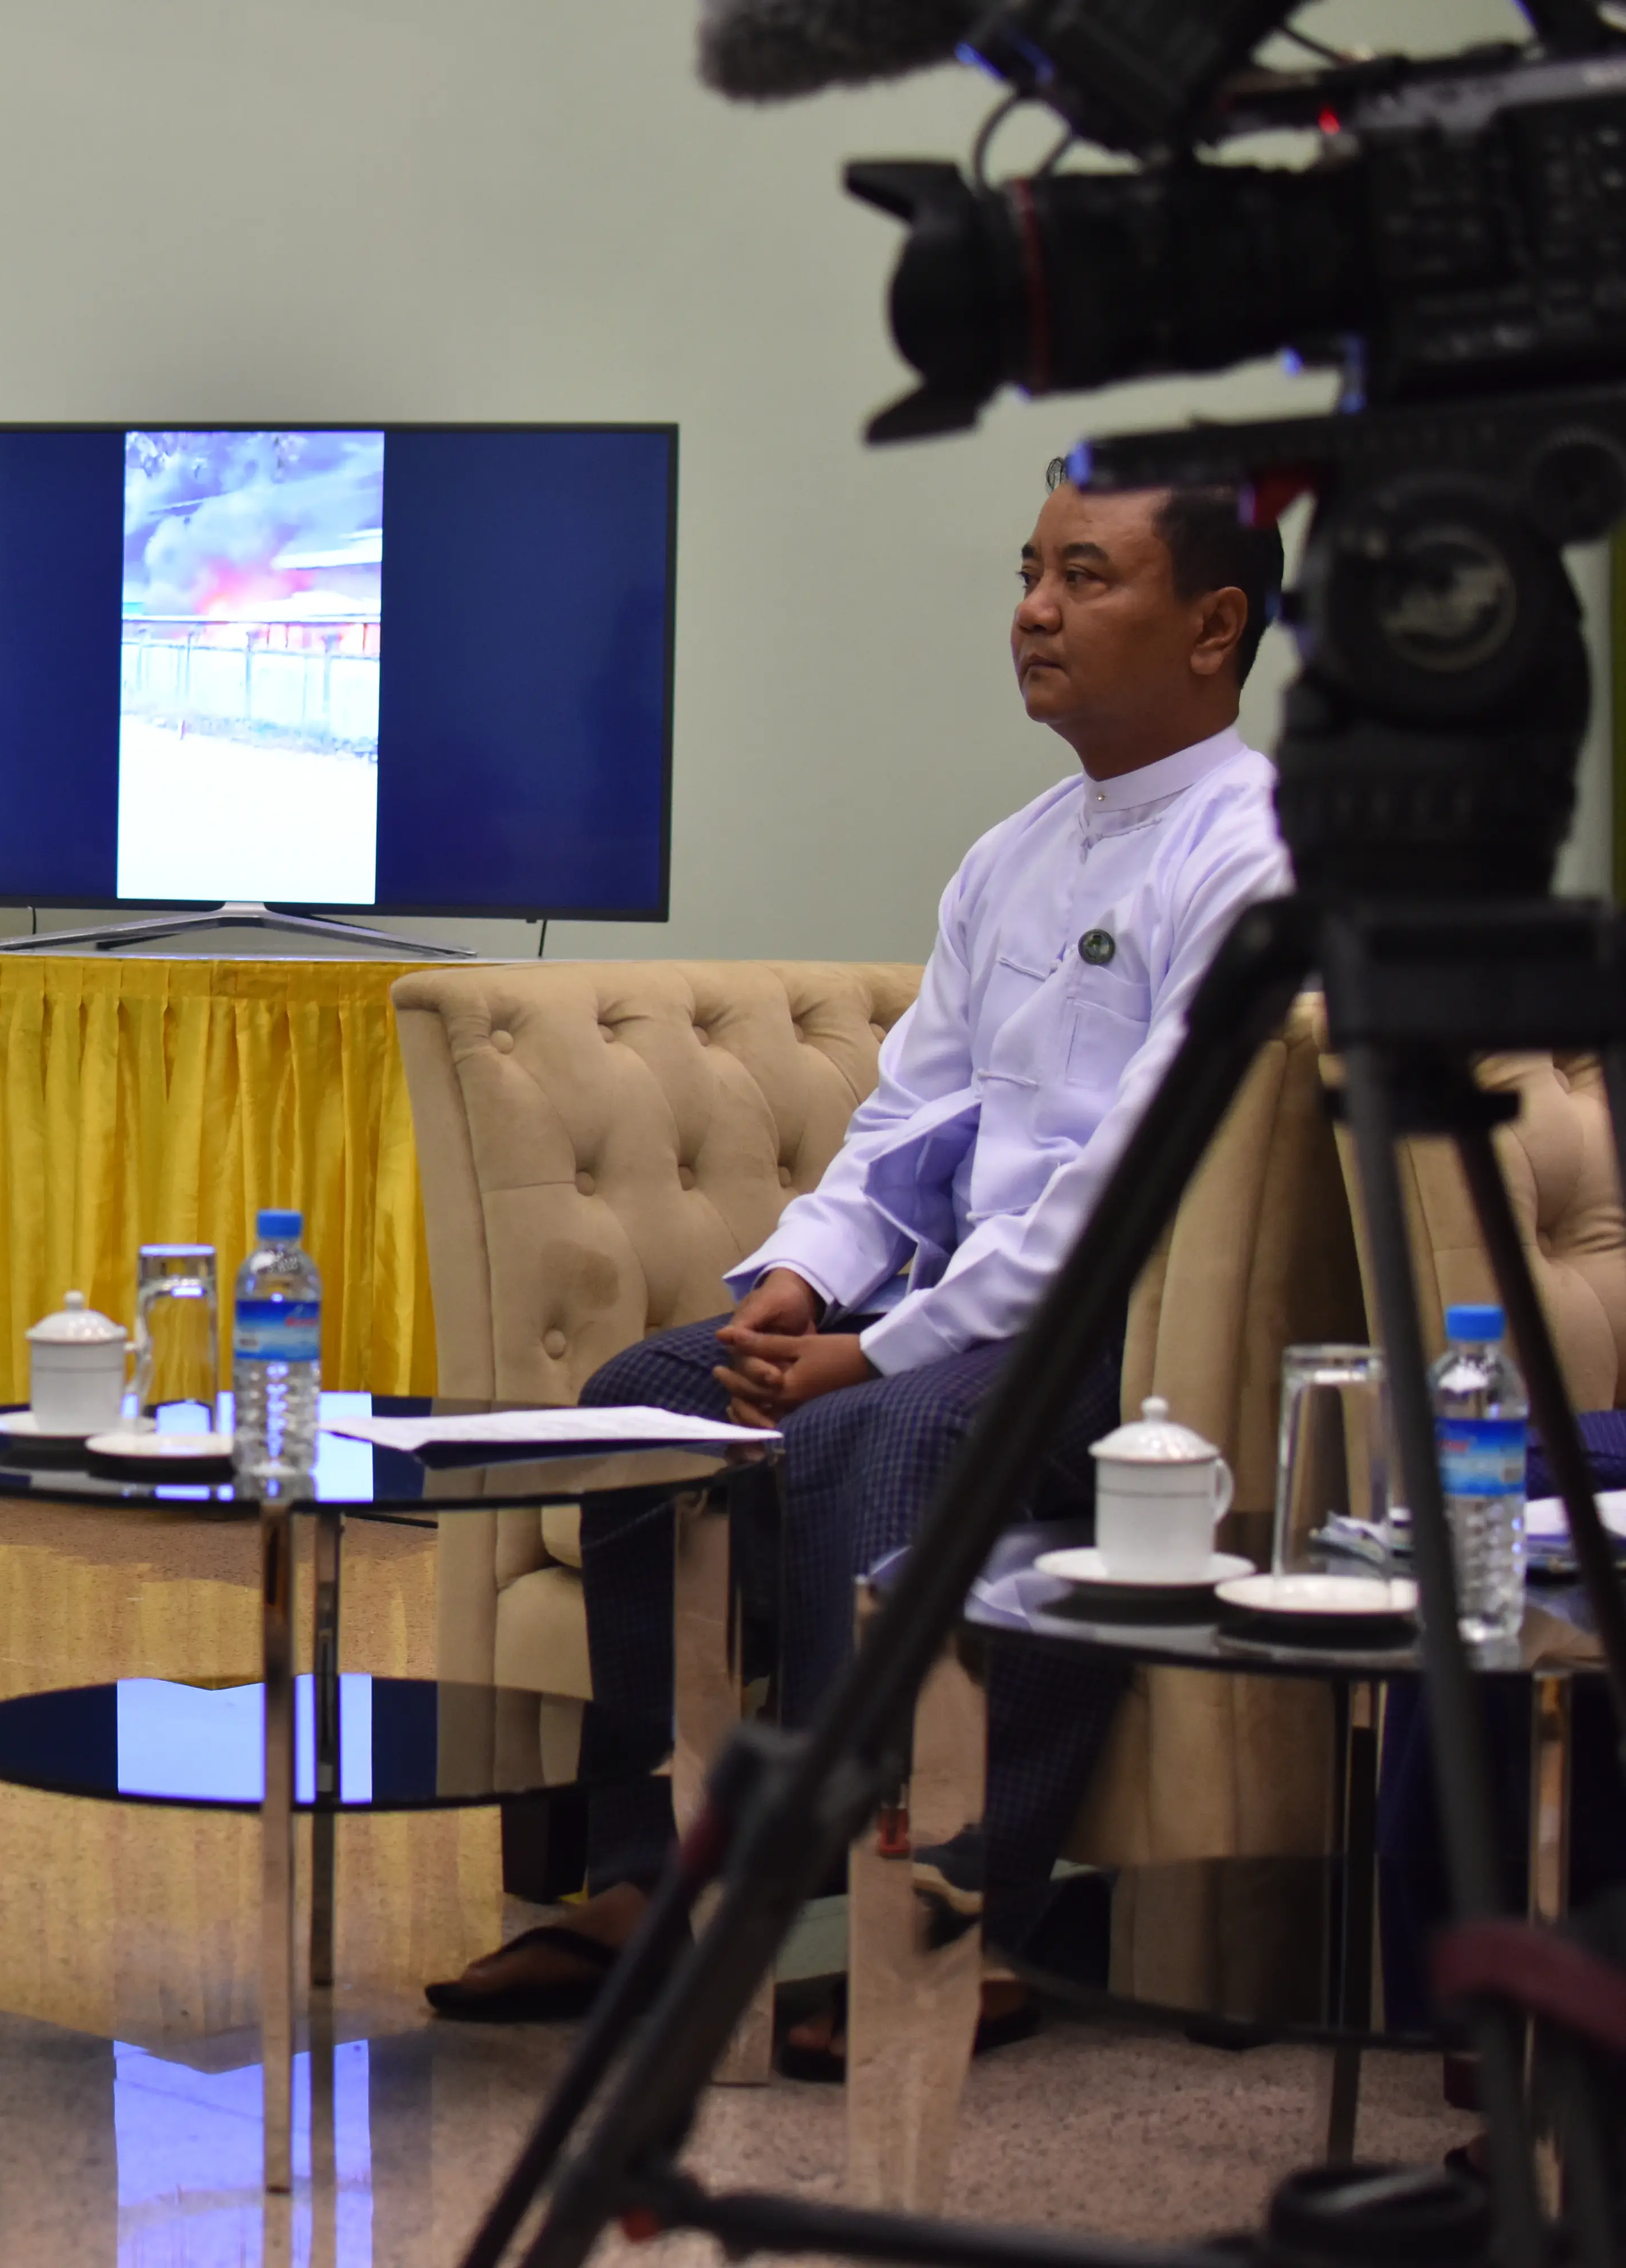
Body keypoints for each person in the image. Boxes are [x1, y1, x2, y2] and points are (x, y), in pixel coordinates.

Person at [428, 466, 1293, 2071]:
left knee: (880, 1434)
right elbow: (913, 1126)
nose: (1034, 611)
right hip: (940, 1315)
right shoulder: (1015, 853)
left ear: (1214, 626)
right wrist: (805, 1286)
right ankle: (647, 1874)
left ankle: (918, 1916)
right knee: (645, 1402)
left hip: (1115, 1344)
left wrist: (878, 1360)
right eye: (1030, 572)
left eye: (1087, 578)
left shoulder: (1252, 856)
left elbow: (1120, 1193)